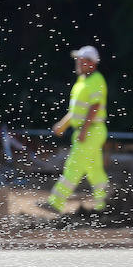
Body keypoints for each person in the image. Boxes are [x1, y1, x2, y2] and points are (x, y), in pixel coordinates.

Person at [46, 44, 109, 213]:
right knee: (95, 171)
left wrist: (84, 131)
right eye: (78, 60)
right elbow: (75, 111)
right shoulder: (82, 81)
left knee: (73, 166)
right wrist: (63, 125)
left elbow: (95, 107)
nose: (78, 63)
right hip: (88, 130)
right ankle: (105, 204)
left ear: (92, 63)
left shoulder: (96, 80)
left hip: (91, 130)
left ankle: (56, 202)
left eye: (82, 60)